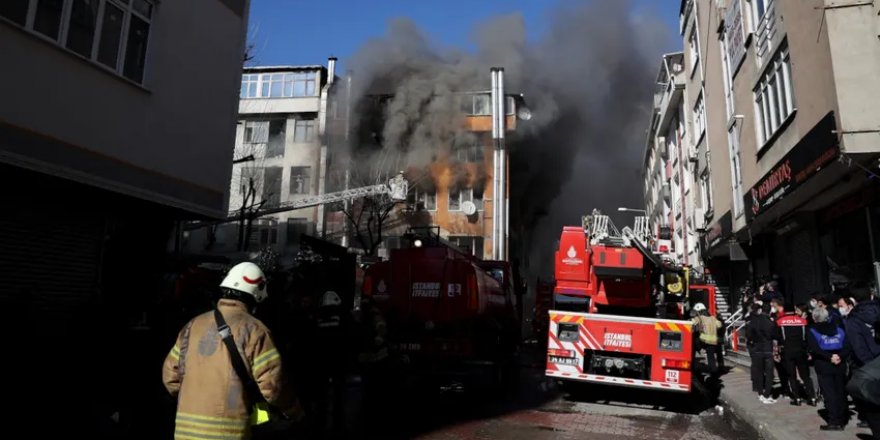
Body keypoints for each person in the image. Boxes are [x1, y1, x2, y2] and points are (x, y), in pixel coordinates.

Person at [162, 262, 297, 439]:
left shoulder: (192, 326)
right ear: (255, 296)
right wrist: (294, 411)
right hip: (227, 433)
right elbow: (272, 388)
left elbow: (170, 378)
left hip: (184, 432)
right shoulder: (255, 330)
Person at [843, 285, 880, 435]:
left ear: (853, 300)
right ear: (871, 296)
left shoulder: (853, 320)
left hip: (866, 370)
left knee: (874, 414)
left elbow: (858, 349)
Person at [807, 307, 850, 431]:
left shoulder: (812, 330)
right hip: (839, 362)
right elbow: (847, 345)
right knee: (840, 391)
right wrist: (839, 356)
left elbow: (815, 348)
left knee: (829, 392)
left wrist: (829, 357)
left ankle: (834, 421)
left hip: (823, 363)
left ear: (814, 318)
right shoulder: (839, 328)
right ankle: (842, 419)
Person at [775, 303, 817, 406]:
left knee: (792, 376)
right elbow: (807, 337)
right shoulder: (802, 321)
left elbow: (777, 338)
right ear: (794, 310)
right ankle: (812, 398)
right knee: (805, 376)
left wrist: (777, 352)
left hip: (787, 352)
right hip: (801, 351)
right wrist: (808, 351)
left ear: (784, 311)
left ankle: (797, 398)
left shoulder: (780, 322)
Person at [747, 303, 777, 403]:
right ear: (769, 311)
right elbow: (773, 335)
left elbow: (749, 335)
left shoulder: (754, 321)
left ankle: (760, 392)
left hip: (756, 349)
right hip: (767, 349)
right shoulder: (770, 322)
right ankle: (767, 394)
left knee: (759, 372)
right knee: (769, 373)